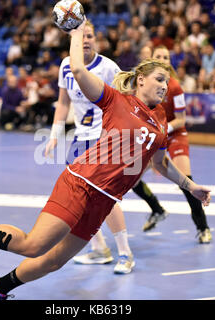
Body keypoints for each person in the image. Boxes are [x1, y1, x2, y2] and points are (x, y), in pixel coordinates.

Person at [0, 19, 211, 300]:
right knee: (33, 245)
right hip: (81, 184)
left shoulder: (161, 118)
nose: (165, 86)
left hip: (105, 201)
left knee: (54, 261)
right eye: (159, 80)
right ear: (140, 80)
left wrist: (191, 186)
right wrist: (76, 32)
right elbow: (77, 68)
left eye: (167, 81)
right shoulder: (116, 100)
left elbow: (160, 163)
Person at [44, 20, 135, 274]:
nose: (86, 40)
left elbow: (125, 104)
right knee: (78, 195)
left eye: (90, 36)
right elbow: (62, 103)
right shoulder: (65, 65)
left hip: (104, 137)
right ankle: (100, 249)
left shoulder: (108, 68)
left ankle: (125, 253)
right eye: (81, 36)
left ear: (97, 39)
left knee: (105, 196)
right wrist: (54, 135)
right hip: (79, 138)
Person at [145, 45, 211, 243]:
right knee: (130, 176)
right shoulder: (143, 85)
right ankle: (156, 209)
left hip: (175, 134)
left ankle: (203, 227)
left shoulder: (174, 87)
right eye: (159, 56)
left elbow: (181, 120)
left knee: (185, 179)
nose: (163, 59)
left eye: (166, 57)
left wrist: (162, 131)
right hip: (155, 135)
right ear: (152, 59)